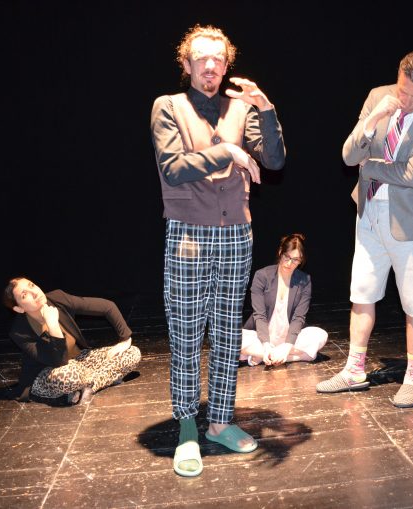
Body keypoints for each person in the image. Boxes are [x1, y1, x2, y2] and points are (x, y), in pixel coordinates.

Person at [150, 24, 285, 477]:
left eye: (218, 59)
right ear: (186, 63)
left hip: (236, 233)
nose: (210, 66)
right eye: (201, 58)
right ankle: (188, 425)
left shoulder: (241, 108)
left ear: (227, 64)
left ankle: (220, 421)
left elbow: (274, 160)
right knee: (187, 332)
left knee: (227, 332)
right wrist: (228, 151)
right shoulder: (169, 106)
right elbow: (173, 168)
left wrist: (266, 108)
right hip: (187, 232)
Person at [316, 51, 413, 408]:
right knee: (362, 292)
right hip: (369, 211)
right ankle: (354, 369)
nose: (407, 101)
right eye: (403, 90)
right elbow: (349, 156)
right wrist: (373, 119)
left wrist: (370, 167)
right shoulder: (378, 96)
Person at [2, 277, 141, 406]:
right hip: (48, 372)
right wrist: (53, 325)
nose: (34, 292)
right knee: (70, 375)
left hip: (79, 360)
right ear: (19, 308)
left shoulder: (57, 298)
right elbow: (59, 361)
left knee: (132, 353)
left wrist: (125, 338)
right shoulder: (19, 332)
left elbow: (107, 306)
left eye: (31, 285)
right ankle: (99, 379)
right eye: (24, 295)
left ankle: (86, 386)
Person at [241, 233, 328, 366]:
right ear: (280, 252)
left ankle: (265, 356)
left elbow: (299, 318)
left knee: (321, 335)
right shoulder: (262, 275)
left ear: (301, 260)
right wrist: (266, 345)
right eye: (287, 257)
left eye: (296, 260)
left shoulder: (305, 280)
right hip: (261, 338)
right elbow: (259, 315)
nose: (289, 263)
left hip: (289, 340)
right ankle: (288, 356)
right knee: (230, 337)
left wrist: (287, 347)